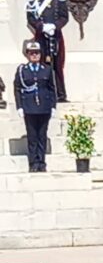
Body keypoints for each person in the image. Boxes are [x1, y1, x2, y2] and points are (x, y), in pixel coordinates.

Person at [14, 40, 56, 173]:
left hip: (44, 107)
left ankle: (42, 162)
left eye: (37, 53)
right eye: (32, 53)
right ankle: (33, 163)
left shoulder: (47, 69)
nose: (35, 55)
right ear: (27, 55)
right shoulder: (22, 70)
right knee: (32, 136)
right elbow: (17, 89)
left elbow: (51, 89)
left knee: (42, 136)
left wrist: (53, 106)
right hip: (29, 108)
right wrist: (20, 106)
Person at [26, 0, 69, 102]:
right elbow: (30, 18)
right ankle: (44, 92)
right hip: (41, 36)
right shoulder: (34, 1)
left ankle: (60, 94)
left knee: (58, 66)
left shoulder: (58, 0)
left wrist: (55, 26)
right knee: (42, 64)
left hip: (56, 36)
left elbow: (64, 17)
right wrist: (41, 27)